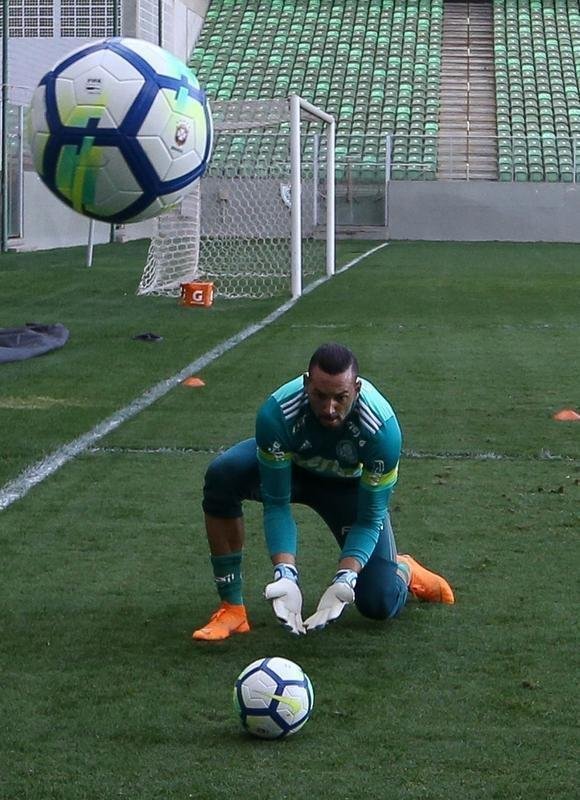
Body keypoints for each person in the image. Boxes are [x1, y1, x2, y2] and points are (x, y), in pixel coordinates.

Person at [193, 342, 454, 641]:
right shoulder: (277, 412)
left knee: (379, 603)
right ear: (306, 384)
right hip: (294, 472)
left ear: (356, 388)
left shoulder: (382, 430)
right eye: (319, 395)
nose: (329, 409)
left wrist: (346, 577)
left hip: (345, 487)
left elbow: (368, 520)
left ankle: (403, 568)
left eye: (340, 398)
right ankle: (232, 609)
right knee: (222, 476)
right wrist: (285, 573)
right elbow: (276, 503)